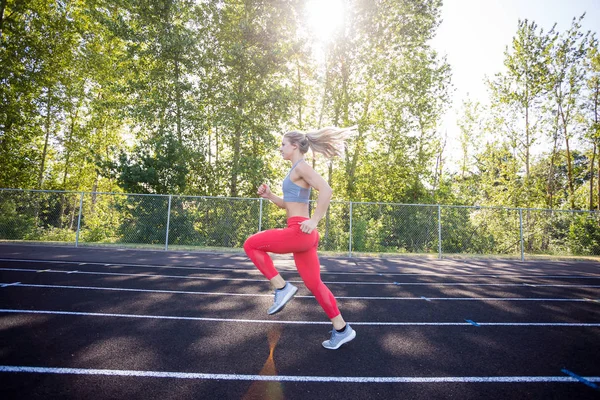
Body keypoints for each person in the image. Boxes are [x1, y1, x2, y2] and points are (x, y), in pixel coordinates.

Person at [243, 126, 357, 350]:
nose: (280, 148)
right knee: (314, 284)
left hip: (300, 231)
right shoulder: (295, 170)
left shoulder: (302, 167)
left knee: (250, 244)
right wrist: (270, 196)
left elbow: (327, 190)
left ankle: (281, 287)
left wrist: (315, 220)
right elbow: (289, 205)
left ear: (294, 146)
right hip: (303, 235)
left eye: (283, 144)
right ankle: (342, 329)